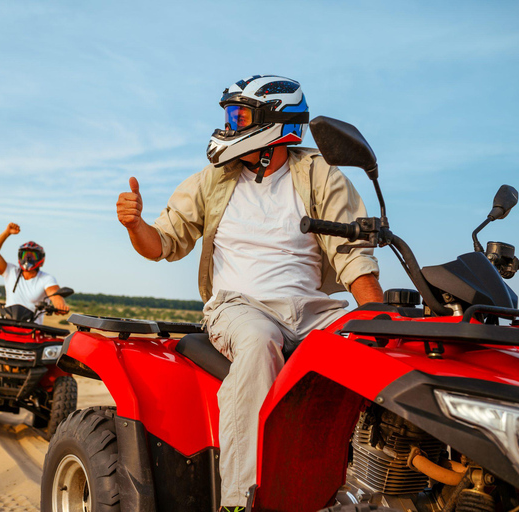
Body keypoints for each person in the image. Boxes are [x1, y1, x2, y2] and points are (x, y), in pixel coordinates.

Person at [116, 75, 382, 511]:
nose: (230, 126)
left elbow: (353, 255)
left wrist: (381, 322)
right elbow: (161, 244)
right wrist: (135, 226)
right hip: (239, 307)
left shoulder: (320, 174)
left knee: (377, 355)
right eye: (230, 115)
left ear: (275, 125)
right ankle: (239, 502)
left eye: (239, 116)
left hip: (312, 311)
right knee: (259, 345)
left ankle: (365, 486)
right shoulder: (212, 180)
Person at [0, 223, 69, 324]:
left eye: (32, 256)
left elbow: (54, 293)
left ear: (41, 259)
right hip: (6, 323)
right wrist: (6, 233)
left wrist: (59, 305)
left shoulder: (46, 278)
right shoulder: (11, 271)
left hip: (32, 329)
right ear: (20, 256)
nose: (28, 259)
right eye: (25, 255)